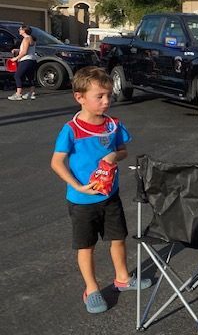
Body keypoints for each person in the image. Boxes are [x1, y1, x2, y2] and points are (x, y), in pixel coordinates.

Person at [50, 67, 151, 314]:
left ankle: (122, 278)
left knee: (118, 239)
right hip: (82, 200)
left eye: (108, 95)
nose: (107, 101)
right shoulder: (71, 129)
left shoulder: (113, 125)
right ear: (80, 97)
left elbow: (123, 150)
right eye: (100, 96)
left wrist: (114, 155)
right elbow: (56, 162)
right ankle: (92, 289)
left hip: (110, 195)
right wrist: (77, 186)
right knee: (86, 246)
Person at [7, 24, 37, 100]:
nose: (19, 30)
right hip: (32, 60)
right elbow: (28, 50)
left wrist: (16, 58)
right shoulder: (31, 38)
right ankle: (31, 93)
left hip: (26, 60)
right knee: (30, 77)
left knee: (17, 76)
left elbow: (24, 52)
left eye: (20, 29)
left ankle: (18, 94)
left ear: (24, 30)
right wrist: (17, 50)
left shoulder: (26, 39)